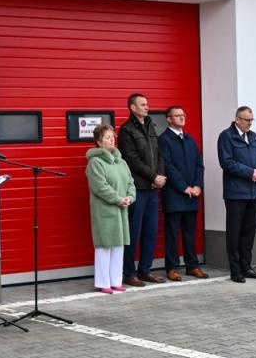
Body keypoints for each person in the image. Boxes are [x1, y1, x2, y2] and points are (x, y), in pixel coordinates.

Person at [117, 92, 166, 286]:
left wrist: (159, 177)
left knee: (151, 231)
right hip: (138, 189)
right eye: (143, 104)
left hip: (153, 188)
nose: (147, 107)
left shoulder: (152, 126)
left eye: (147, 104)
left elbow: (160, 153)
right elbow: (131, 159)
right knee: (134, 232)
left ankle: (145, 270)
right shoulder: (127, 130)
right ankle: (129, 273)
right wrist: (153, 176)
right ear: (133, 107)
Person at [217, 106, 256, 283]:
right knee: (235, 232)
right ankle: (236, 270)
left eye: (251, 120)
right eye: (247, 120)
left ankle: (247, 267)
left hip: (254, 192)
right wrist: (250, 172)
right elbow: (227, 162)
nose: (250, 123)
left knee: (248, 232)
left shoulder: (253, 136)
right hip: (236, 193)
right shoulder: (226, 136)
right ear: (237, 119)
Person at [159, 105, 208, 279]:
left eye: (183, 114)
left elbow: (199, 165)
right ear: (169, 119)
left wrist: (197, 185)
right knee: (172, 233)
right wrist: (184, 187)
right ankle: (171, 268)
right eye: (177, 115)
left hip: (192, 195)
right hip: (174, 195)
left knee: (190, 232)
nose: (182, 117)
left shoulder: (190, 139)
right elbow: (168, 167)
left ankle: (192, 266)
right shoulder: (164, 140)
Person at [85, 124, 134, 294]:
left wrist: (129, 197)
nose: (112, 139)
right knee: (104, 246)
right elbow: (100, 187)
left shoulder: (122, 162)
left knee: (118, 246)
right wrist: (118, 199)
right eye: (107, 137)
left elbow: (130, 183)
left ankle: (116, 281)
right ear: (99, 142)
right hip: (104, 211)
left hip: (121, 210)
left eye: (112, 137)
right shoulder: (95, 162)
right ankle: (103, 282)